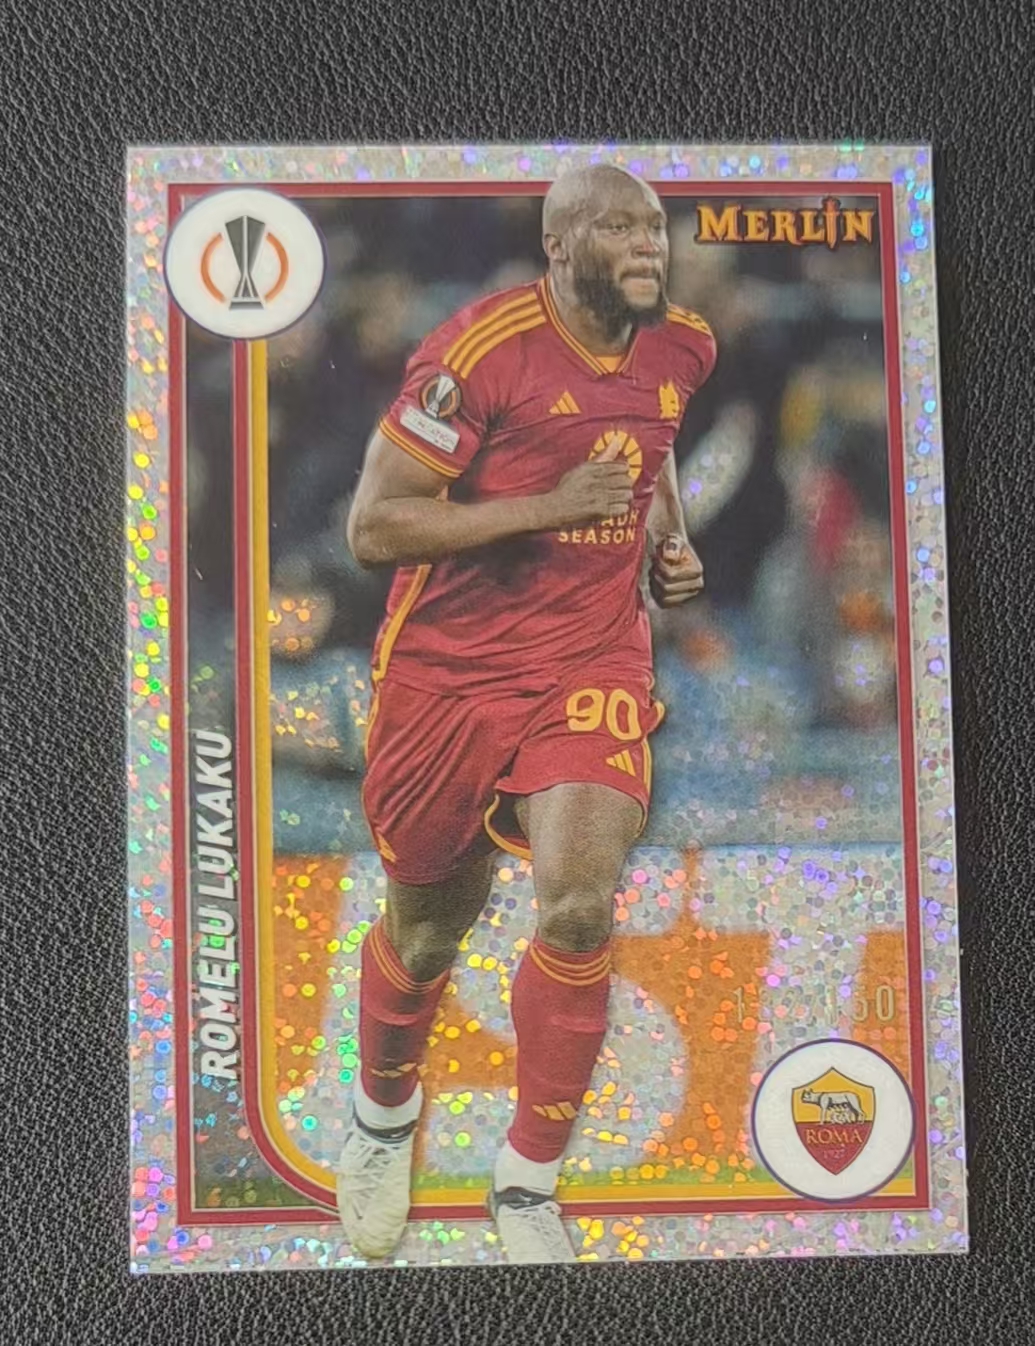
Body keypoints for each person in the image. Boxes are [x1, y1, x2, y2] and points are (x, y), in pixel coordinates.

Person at [336, 165, 715, 1264]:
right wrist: (552, 508)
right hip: (449, 672)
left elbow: (652, 447)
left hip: (590, 657)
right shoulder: (478, 352)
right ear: (557, 245)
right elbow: (374, 527)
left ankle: (528, 1183)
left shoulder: (685, 344)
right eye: (618, 227)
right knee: (427, 929)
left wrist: (666, 540)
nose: (646, 245)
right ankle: (382, 1120)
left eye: (654, 227)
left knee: (579, 908)